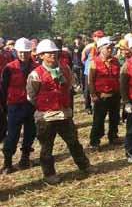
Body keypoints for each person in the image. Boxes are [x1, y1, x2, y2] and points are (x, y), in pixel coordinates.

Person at [27, 39, 92, 184]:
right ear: (41, 55)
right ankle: (49, 174)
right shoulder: (35, 74)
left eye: (54, 53)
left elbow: (69, 87)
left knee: (74, 142)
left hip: (64, 114)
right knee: (46, 148)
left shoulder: (65, 69)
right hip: (46, 117)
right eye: (48, 53)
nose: (52, 56)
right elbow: (31, 96)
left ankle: (85, 166)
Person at [1, 38, 38, 174]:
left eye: (26, 52)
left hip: (31, 105)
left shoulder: (36, 67)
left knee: (30, 133)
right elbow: (3, 88)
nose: (23, 55)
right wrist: (4, 107)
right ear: (16, 52)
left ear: (30, 52)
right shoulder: (9, 68)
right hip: (14, 106)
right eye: (21, 52)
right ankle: (8, 162)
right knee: (12, 135)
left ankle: (25, 158)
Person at [88, 37, 121, 150]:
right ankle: (95, 141)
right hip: (101, 96)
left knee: (115, 118)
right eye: (108, 48)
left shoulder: (116, 61)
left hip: (115, 95)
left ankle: (113, 136)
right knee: (98, 119)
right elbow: (91, 80)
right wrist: (93, 95)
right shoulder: (94, 62)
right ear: (101, 49)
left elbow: (119, 77)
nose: (110, 50)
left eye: (111, 48)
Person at [82, 30, 105, 114]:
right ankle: (87, 107)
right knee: (88, 89)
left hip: (100, 71)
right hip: (89, 70)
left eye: (101, 37)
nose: (99, 38)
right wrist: (88, 65)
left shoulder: (104, 45)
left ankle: (98, 105)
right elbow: (83, 58)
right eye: (97, 37)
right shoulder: (89, 47)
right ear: (93, 37)